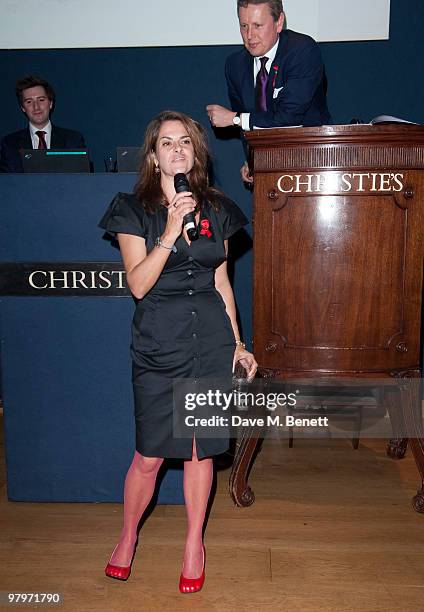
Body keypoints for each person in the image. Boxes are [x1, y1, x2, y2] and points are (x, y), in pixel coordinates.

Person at [98, 110, 257, 593]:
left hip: (208, 342)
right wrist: (169, 230)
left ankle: (194, 542)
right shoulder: (132, 208)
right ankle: (128, 537)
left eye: (185, 142)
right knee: (148, 455)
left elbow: (221, 282)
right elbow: (139, 285)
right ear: (154, 155)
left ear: (196, 152)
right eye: (167, 143)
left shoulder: (219, 209)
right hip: (158, 343)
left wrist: (237, 344)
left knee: (198, 452)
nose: (177, 150)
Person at [206, 0, 331, 183]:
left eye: (258, 26)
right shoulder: (235, 66)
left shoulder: (302, 51)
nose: (250, 35)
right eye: (244, 26)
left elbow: (289, 117)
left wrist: (234, 118)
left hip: (312, 167)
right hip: (269, 173)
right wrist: (253, 161)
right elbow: (247, 129)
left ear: (279, 22)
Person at [0, 75, 86, 172]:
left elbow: (81, 181)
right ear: (23, 108)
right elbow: (6, 183)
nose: (36, 107)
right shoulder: (10, 144)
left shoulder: (73, 140)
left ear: (50, 103)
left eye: (41, 100)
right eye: (29, 102)